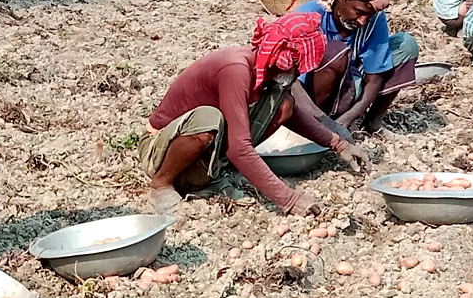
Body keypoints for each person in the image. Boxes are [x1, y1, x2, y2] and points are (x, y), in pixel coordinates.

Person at [138, 11, 368, 218]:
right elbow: (239, 147)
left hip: (203, 146)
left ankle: (207, 174)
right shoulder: (235, 70)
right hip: (161, 149)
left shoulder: (264, 70)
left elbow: (293, 113)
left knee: (284, 104)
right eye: (297, 67)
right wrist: (288, 199)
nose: (298, 74)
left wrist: (338, 144)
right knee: (208, 119)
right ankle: (161, 185)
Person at [295, 0, 420, 138]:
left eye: (369, 15)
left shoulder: (374, 19)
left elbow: (375, 76)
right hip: (310, 98)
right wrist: (322, 123)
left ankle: (371, 123)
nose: (363, 21)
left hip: (351, 84)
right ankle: (318, 124)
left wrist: (348, 118)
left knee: (406, 46)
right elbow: (293, 84)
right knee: (336, 52)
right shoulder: (309, 17)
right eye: (358, 12)